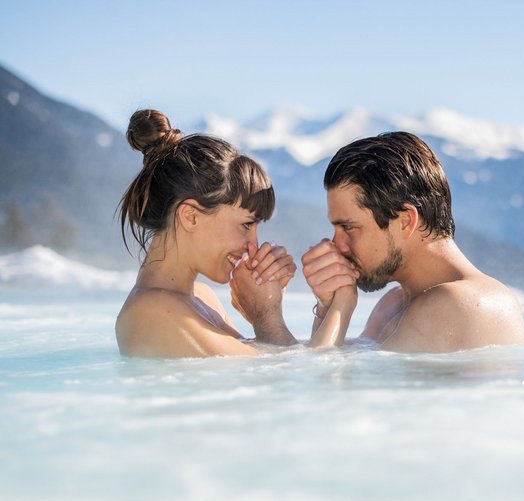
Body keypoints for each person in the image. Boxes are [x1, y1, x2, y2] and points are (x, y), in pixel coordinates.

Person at [115, 109, 356, 357]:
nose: (253, 245)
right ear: (191, 216)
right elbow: (286, 381)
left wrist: (323, 308)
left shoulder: (200, 297)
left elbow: (273, 367)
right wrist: (341, 304)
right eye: (246, 225)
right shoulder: (152, 312)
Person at [301, 132, 524, 352]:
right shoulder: (393, 304)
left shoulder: (456, 305)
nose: (337, 244)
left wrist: (341, 308)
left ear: (406, 220)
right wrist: (327, 307)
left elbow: (328, 385)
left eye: (348, 227)